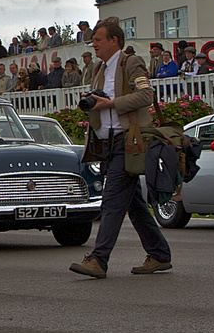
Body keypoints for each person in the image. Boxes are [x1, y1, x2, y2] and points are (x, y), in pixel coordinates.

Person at [70, 20, 172, 279]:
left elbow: (146, 95)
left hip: (128, 142)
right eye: (93, 39)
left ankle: (98, 259)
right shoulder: (98, 67)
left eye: (98, 39)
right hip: (107, 144)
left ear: (114, 40)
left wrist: (111, 104)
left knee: (112, 201)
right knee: (134, 204)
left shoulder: (131, 62)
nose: (94, 44)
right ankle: (159, 254)